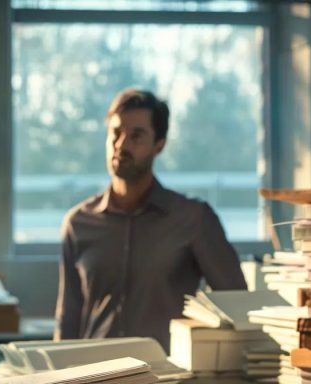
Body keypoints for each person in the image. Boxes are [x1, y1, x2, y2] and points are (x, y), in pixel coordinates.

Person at [55, 88, 248, 350]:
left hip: (168, 376)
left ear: (160, 144)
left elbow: (238, 307)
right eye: (116, 133)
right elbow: (68, 321)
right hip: (94, 374)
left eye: (136, 136)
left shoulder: (193, 219)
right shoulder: (78, 224)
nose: (121, 145)